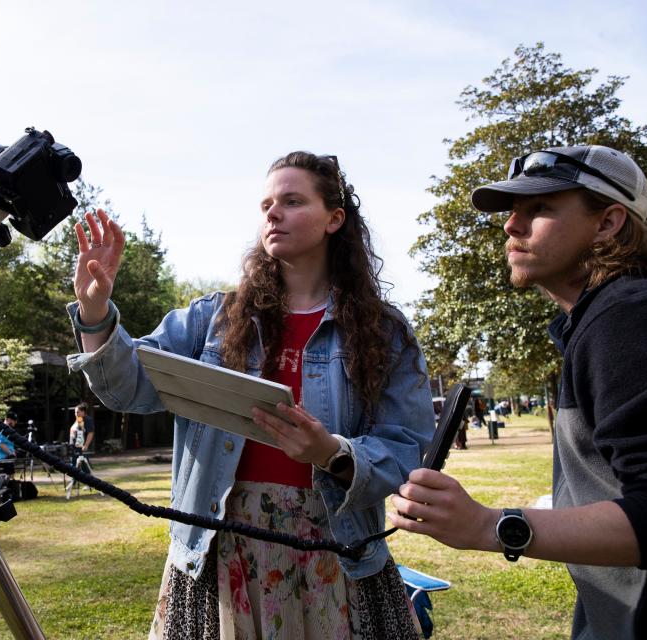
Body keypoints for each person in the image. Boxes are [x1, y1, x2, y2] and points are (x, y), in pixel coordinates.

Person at [67, 152, 434, 639]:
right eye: (266, 205)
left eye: (292, 200)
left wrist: (333, 454)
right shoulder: (213, 318)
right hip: (220, 549)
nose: (273, 214)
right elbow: (128, 386)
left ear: (334, 218)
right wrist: (95, 313)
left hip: (335, 553)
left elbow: (407, 445)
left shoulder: (383, 330)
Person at [390, 145, 647, 639]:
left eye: (540, 209)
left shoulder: (631, 316)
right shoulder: (602, 320)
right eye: (512, 211)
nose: (511, 226)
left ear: (608, 223)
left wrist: (490, 525)